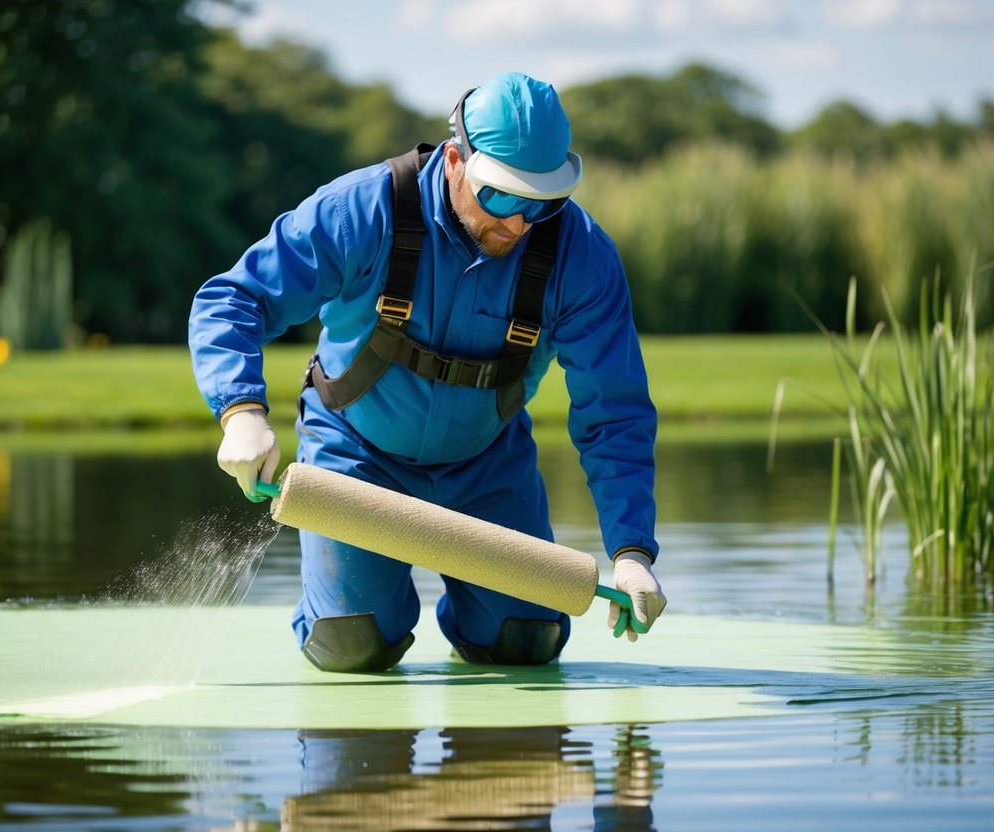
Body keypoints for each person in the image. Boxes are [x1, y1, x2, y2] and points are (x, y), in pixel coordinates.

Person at [189, 71, 666, 672]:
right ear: (455, 159)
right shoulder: (359, 211)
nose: (518, 224)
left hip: (487, 465)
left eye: (541, 203)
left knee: (525, 642)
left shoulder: (583, 257)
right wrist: (240, 412)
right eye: (500, 196)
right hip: (355, 455)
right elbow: (232, 300)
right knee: (354, 644)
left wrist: (631, 550)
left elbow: (614, 412)